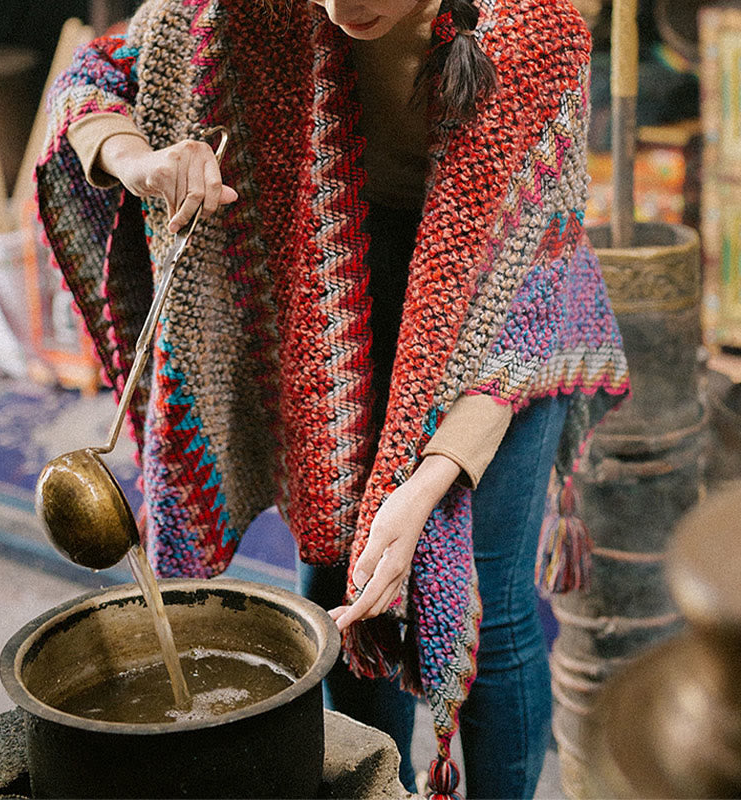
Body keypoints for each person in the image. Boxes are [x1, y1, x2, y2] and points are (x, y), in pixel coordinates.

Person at [36, 0, 630, 796]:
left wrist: (423, 485)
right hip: (345, 293)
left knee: (491, 608)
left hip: (505, 315)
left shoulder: (533, 31)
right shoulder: (250, 12)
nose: (346, 4)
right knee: (337, 589)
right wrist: (137, 158)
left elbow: (520, 303)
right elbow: (92, 76)